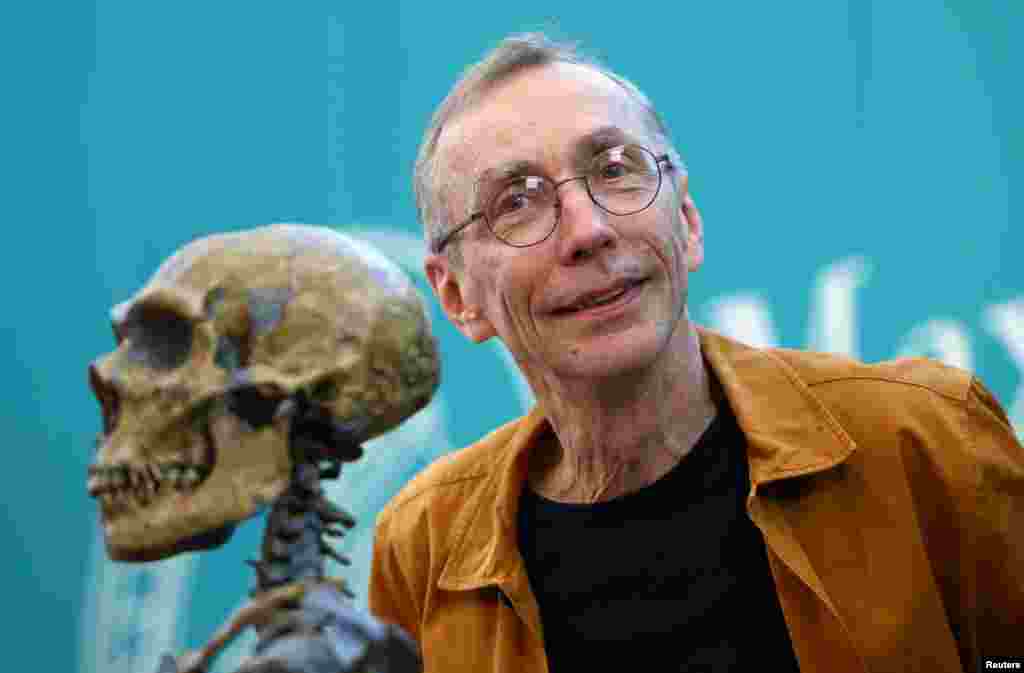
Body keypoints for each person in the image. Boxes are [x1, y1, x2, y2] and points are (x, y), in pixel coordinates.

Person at [368, 32, 1024, 672]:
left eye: (615, 170)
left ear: (686, 220)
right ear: (457, 296)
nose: (589, 230)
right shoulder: (423, 549)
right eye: (518, 203)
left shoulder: (926, 439)